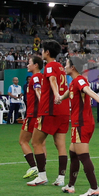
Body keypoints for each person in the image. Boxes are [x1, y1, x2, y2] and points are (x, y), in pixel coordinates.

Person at [29, 40, 71, 188]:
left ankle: (41, 176)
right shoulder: (61, 67)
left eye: (42, 50)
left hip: (49, 111)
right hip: (64, 112)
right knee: (60, 144)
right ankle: (61, 177)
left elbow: (52, 80)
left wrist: (56, 95)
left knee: (35, 142)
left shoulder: (49, 67)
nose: (41, 53)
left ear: (47, 52)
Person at [63, 56, 99, 196]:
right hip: (79, 122)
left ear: (73, 67)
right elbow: (69, 93)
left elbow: (86, 89)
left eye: (66, 64)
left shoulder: (80, 80)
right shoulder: (73, 82)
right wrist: (59, 98)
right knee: (73, 153)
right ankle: (70, 186)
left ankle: (94, 188)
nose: (64, 66)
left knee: (83, 156)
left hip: (82, 123)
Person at [19, 57, 43, 181]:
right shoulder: (42, 77)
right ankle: (41, 171)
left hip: (33, 114)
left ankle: (34, 167)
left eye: (29, 63)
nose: (27, 65)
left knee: (23, 141)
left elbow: (39, 92)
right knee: (40, 143)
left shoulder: (36, 77)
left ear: (36, 65)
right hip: (40, 115)